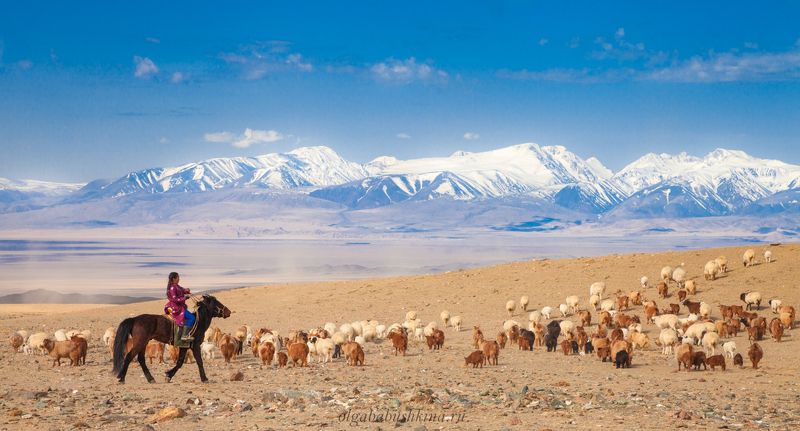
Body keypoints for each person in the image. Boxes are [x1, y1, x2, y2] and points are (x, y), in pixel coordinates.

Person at [164, 272, 195, 342]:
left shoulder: (177, 286)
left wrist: (187, 290)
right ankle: (184, 335)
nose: (179, 279)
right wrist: (184, 297)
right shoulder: (172, 287)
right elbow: (174, 299)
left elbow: (183, 290)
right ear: (174, 278)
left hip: (179, 306)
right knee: (192, 317)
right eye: (178, 277)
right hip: (176, 308)